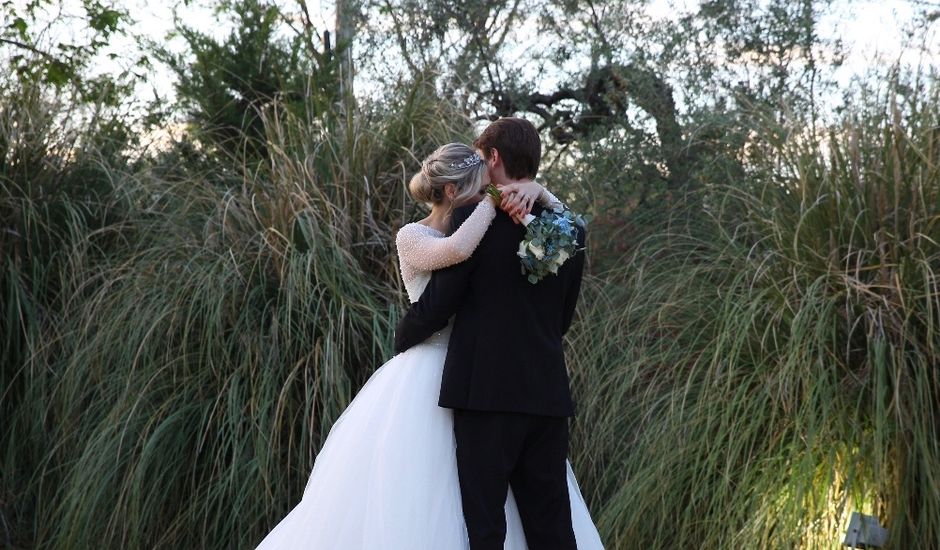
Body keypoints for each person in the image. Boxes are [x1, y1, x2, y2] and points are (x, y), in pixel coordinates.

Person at [254, 141, 602, 549]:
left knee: (491, 505)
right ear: (454, 192)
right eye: (479, 187)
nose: (486, 193)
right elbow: (454, 260)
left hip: (474, 376)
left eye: (488, 186)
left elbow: (558, 237)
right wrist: (496, 202)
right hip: (433, 371)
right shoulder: (421, 234)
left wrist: (536, 191)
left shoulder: (481, 223)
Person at [394, 118, 588, 550]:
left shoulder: (472, 219)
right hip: (545, 394)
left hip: (484, 395)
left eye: (482, 159)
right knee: (552, 527)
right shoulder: (569, 228)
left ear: (494, 158)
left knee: (485, 529)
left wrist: (404, 338)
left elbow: (441, 303)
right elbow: (562, 319)